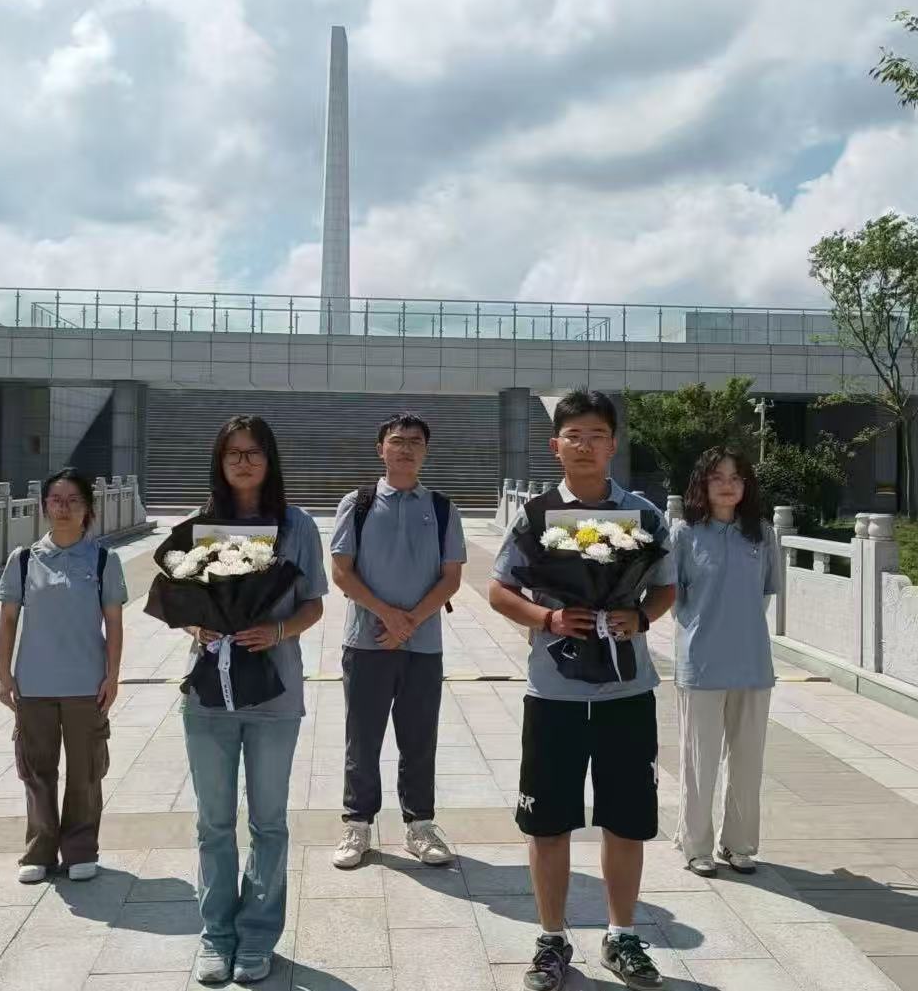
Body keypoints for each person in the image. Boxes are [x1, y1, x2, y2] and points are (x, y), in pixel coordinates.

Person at [488, 390, 676, 991]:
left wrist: (640, 617)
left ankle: (622, 935)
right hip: (554, 692)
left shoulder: (644, 515)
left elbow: (666, 587)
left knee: (627, 818)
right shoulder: (535, 515)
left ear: (613, 444)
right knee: (548, 822)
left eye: (597, 435)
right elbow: (499, 590)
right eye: (575, 435)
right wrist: (546, 618)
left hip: (627, 690)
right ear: (556, 445)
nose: (586, 445)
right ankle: (551, 938)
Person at [177, 415, 328, 987]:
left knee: (268, 821)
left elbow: (313, 603)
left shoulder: (296, 526)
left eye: (253, 452)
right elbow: (183, 599)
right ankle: (216, 934)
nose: (243, 462)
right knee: (213, 822)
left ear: (270, 460)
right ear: (220, 462)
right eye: (233, 453)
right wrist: (196, 625)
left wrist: (278, 631)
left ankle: (258, 934)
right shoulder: (201, 522)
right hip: (209, 695)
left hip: (274, 692)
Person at [330, 411, 467, 870]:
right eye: (397, 440)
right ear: (381, 449)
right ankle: (357, 823)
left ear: (425, 451)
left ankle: (419, 825)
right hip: (366, 642)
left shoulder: (442, 508)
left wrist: (409, 624)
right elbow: (341, 572)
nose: (405, 448)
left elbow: (451, 578)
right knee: (362, 738)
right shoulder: (358, 503)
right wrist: (389, 616)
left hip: (423, 647)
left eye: (414, 441)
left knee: (419, 738)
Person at [0, 467, 127, 886]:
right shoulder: (23, 560)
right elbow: (7, 620)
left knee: (86, 771)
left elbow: (114, 623)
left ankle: (81, 849)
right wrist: (4, 675)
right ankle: (39, 850)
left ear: (88, 508)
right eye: (56, 500)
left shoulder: (104, 560)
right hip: (34, 683)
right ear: (44, 506)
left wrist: (112, 675)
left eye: (73, 500)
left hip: (86, 684)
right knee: (36, 771)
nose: (64, 508)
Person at [670, 445, 781, 878]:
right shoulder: (684, 534)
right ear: (702, 483)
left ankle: (739, 844)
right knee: (699, 760)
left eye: (736, 477)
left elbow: (766, 592)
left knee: (748, 760)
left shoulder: (762, 534)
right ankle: (696, 846)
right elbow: (673, 597)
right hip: (701, 663)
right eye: (717, 477)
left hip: (753, 662)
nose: (728, 485)